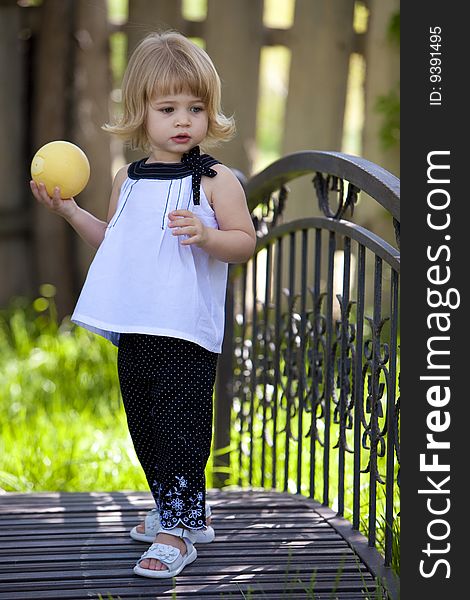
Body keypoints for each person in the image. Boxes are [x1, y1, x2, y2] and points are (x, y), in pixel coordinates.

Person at [30, 30, 256, 579]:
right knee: (146, 424)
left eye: (195, 108)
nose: (183, 120)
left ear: (210, 113)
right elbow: (115, 243)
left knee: (182, 426)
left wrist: (206, 237)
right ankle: (175, 510)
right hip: (137, 326)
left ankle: (179, 532)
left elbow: (245, 241)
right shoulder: (128, 180)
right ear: (141, 113)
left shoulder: (214, 181)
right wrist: (71, 214)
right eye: (168, 108)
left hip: (184, 330)